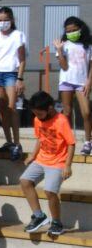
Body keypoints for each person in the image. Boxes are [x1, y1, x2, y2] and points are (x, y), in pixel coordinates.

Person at [20, 91, 75, 236]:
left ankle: (57, 222)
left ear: (50, 108)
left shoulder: (61, 120)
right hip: (42, 159)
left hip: (58, 162)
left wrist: (68, 165)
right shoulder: (38, 120)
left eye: (39, 114)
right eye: (35, 114)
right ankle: (38, 216)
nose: (37, 117)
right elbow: (40, 138)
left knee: (50, 191)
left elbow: (71, 144)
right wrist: (33, 155)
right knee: (25, 181)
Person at [54, 16, 92, 155]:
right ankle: (67, 141)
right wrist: (59, 51)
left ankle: (88, 142)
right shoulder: (64, 45)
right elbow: (63, 67)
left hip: (82, 82)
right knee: (67, 113)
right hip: (66, 81)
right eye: (68, 31)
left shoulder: (88, 45)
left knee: (86, 112)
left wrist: (89, 81)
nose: (71, 33)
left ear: (80, 29)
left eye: (74, 30)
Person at [0, 7, 26, 160]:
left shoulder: (18, 35)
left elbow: (22, 59)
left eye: (6, 19)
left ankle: (17, 142)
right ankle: (9, 141)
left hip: (11, 73)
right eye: (0, 20)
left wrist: (20, 78)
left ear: (11, 20)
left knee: (12, 108)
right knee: (3, 109)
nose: (3, 22)